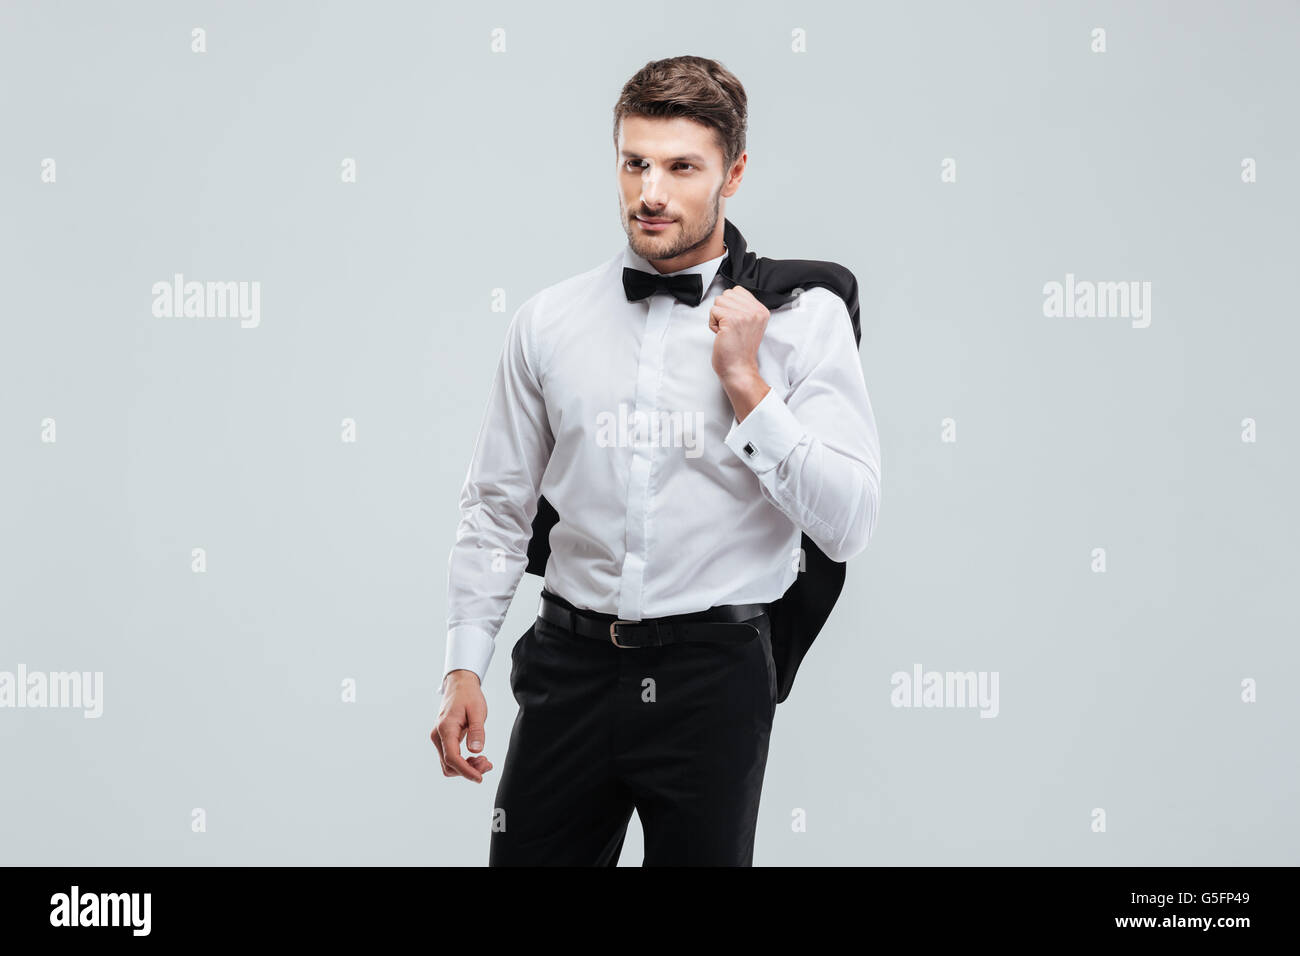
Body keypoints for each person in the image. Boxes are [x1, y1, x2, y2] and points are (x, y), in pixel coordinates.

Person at [431, 55, 882, 865]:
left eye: (681, 167)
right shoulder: (548, 323)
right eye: (635, 162)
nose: (650, 193)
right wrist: (464, 667)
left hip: (715, 677)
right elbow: (497, 508)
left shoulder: (804, 322)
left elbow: (847, 523)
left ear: (733, 173)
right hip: (567, 668)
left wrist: (748, 386)